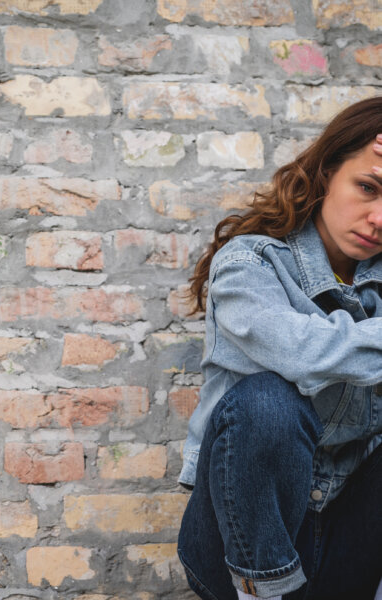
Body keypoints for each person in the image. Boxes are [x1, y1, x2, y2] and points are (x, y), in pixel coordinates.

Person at [177, 97, 382, 600]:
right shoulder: (249, 264)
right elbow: (302, 353)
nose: (378, 218)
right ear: (327, 170)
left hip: (347, 540)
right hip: (238, 548)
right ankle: (265, 593)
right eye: (368, 187)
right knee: (267, 400)